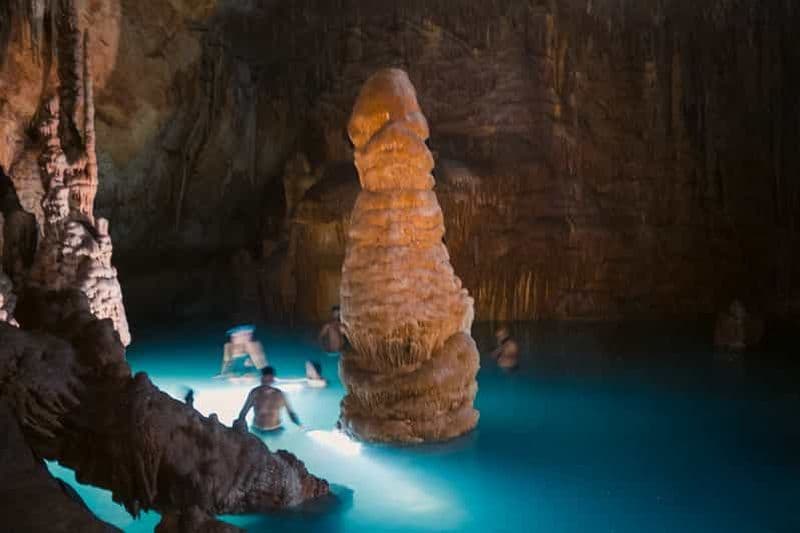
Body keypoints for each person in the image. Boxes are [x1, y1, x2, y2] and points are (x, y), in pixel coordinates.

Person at [236, 367, 302, 433]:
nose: (266, 382)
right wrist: (240, 426)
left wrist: (300, 425)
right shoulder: (255, 393)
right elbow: (244, 412)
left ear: (272, 379)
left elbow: (291, 413)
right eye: (264, 379)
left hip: (276, 429)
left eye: (268, 379)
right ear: (261, 379)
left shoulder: (280, 395)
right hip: (257, 429)